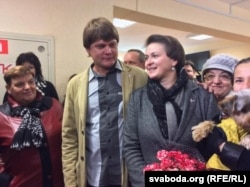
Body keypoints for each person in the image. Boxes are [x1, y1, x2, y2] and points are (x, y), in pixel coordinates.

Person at [123, 34, 221, 187]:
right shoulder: (137, 98)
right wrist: (144, 180)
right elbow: (131, 145)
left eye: (154, 56)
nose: (148, 62)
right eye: (147, 57)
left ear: (174, 60)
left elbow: (214, 144)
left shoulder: (203, 96)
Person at [61, 17, 147, 187]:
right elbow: (70, 136)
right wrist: (71, 181)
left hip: (129, 175)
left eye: (112, 44)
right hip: (93, 175)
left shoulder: (139, 77)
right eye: (101, 46)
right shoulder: (75, 85)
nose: (108, 51)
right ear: (88, 50)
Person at [0, 65, 64, 187]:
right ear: (8, 88)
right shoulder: (2, 116)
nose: (27, 87)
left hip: (58, 182)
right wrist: (5, 179)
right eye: (19, 84)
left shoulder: (53, 106)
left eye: (31, 82)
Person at [195, 57, 250, 170]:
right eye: (239, 80)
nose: (245, 86)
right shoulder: (218, 116)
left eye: (224, 76)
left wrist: (221, 145)